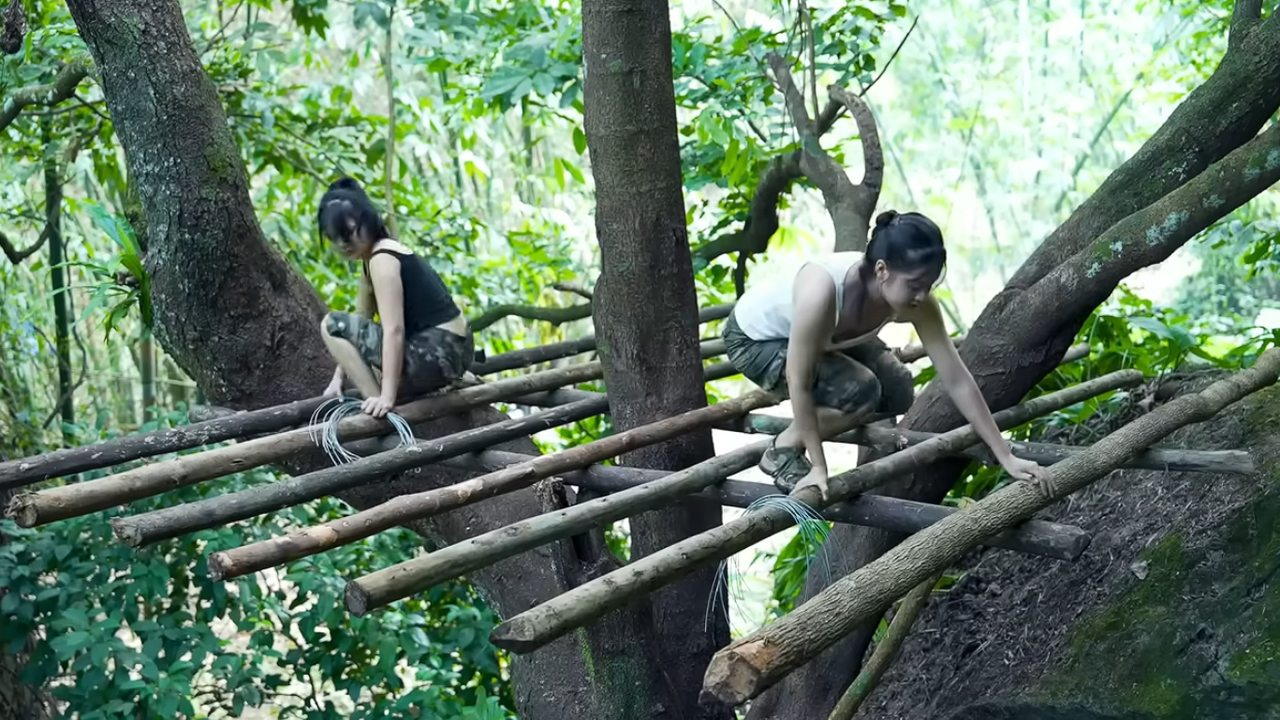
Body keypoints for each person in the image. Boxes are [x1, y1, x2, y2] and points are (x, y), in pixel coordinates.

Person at [722, 209, 1048, 499]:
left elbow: (957, 378)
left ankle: (837, 425)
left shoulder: (917, 301)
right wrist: (819, 466)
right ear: (882, 270)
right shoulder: (822, 291)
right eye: (915, 285)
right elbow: (799, 380)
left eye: (929, 285)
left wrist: (1006, 455)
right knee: (862, 392)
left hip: (824, 339)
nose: (922, 295)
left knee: (896, 388)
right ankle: (782, 449)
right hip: (755, 341)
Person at [316, 177, 474, 418]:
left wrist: (386, 398)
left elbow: (394, 330)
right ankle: (384, 395)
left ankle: (377, 408)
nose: (343, 244)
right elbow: (361, 319)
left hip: (439, 351)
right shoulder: (373, 258)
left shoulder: (382, 258)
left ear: (368, 220)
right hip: (452, 351)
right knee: (365, 358)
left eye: (349, 233)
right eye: (334, 237)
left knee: (330, 324)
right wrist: (337, 378)